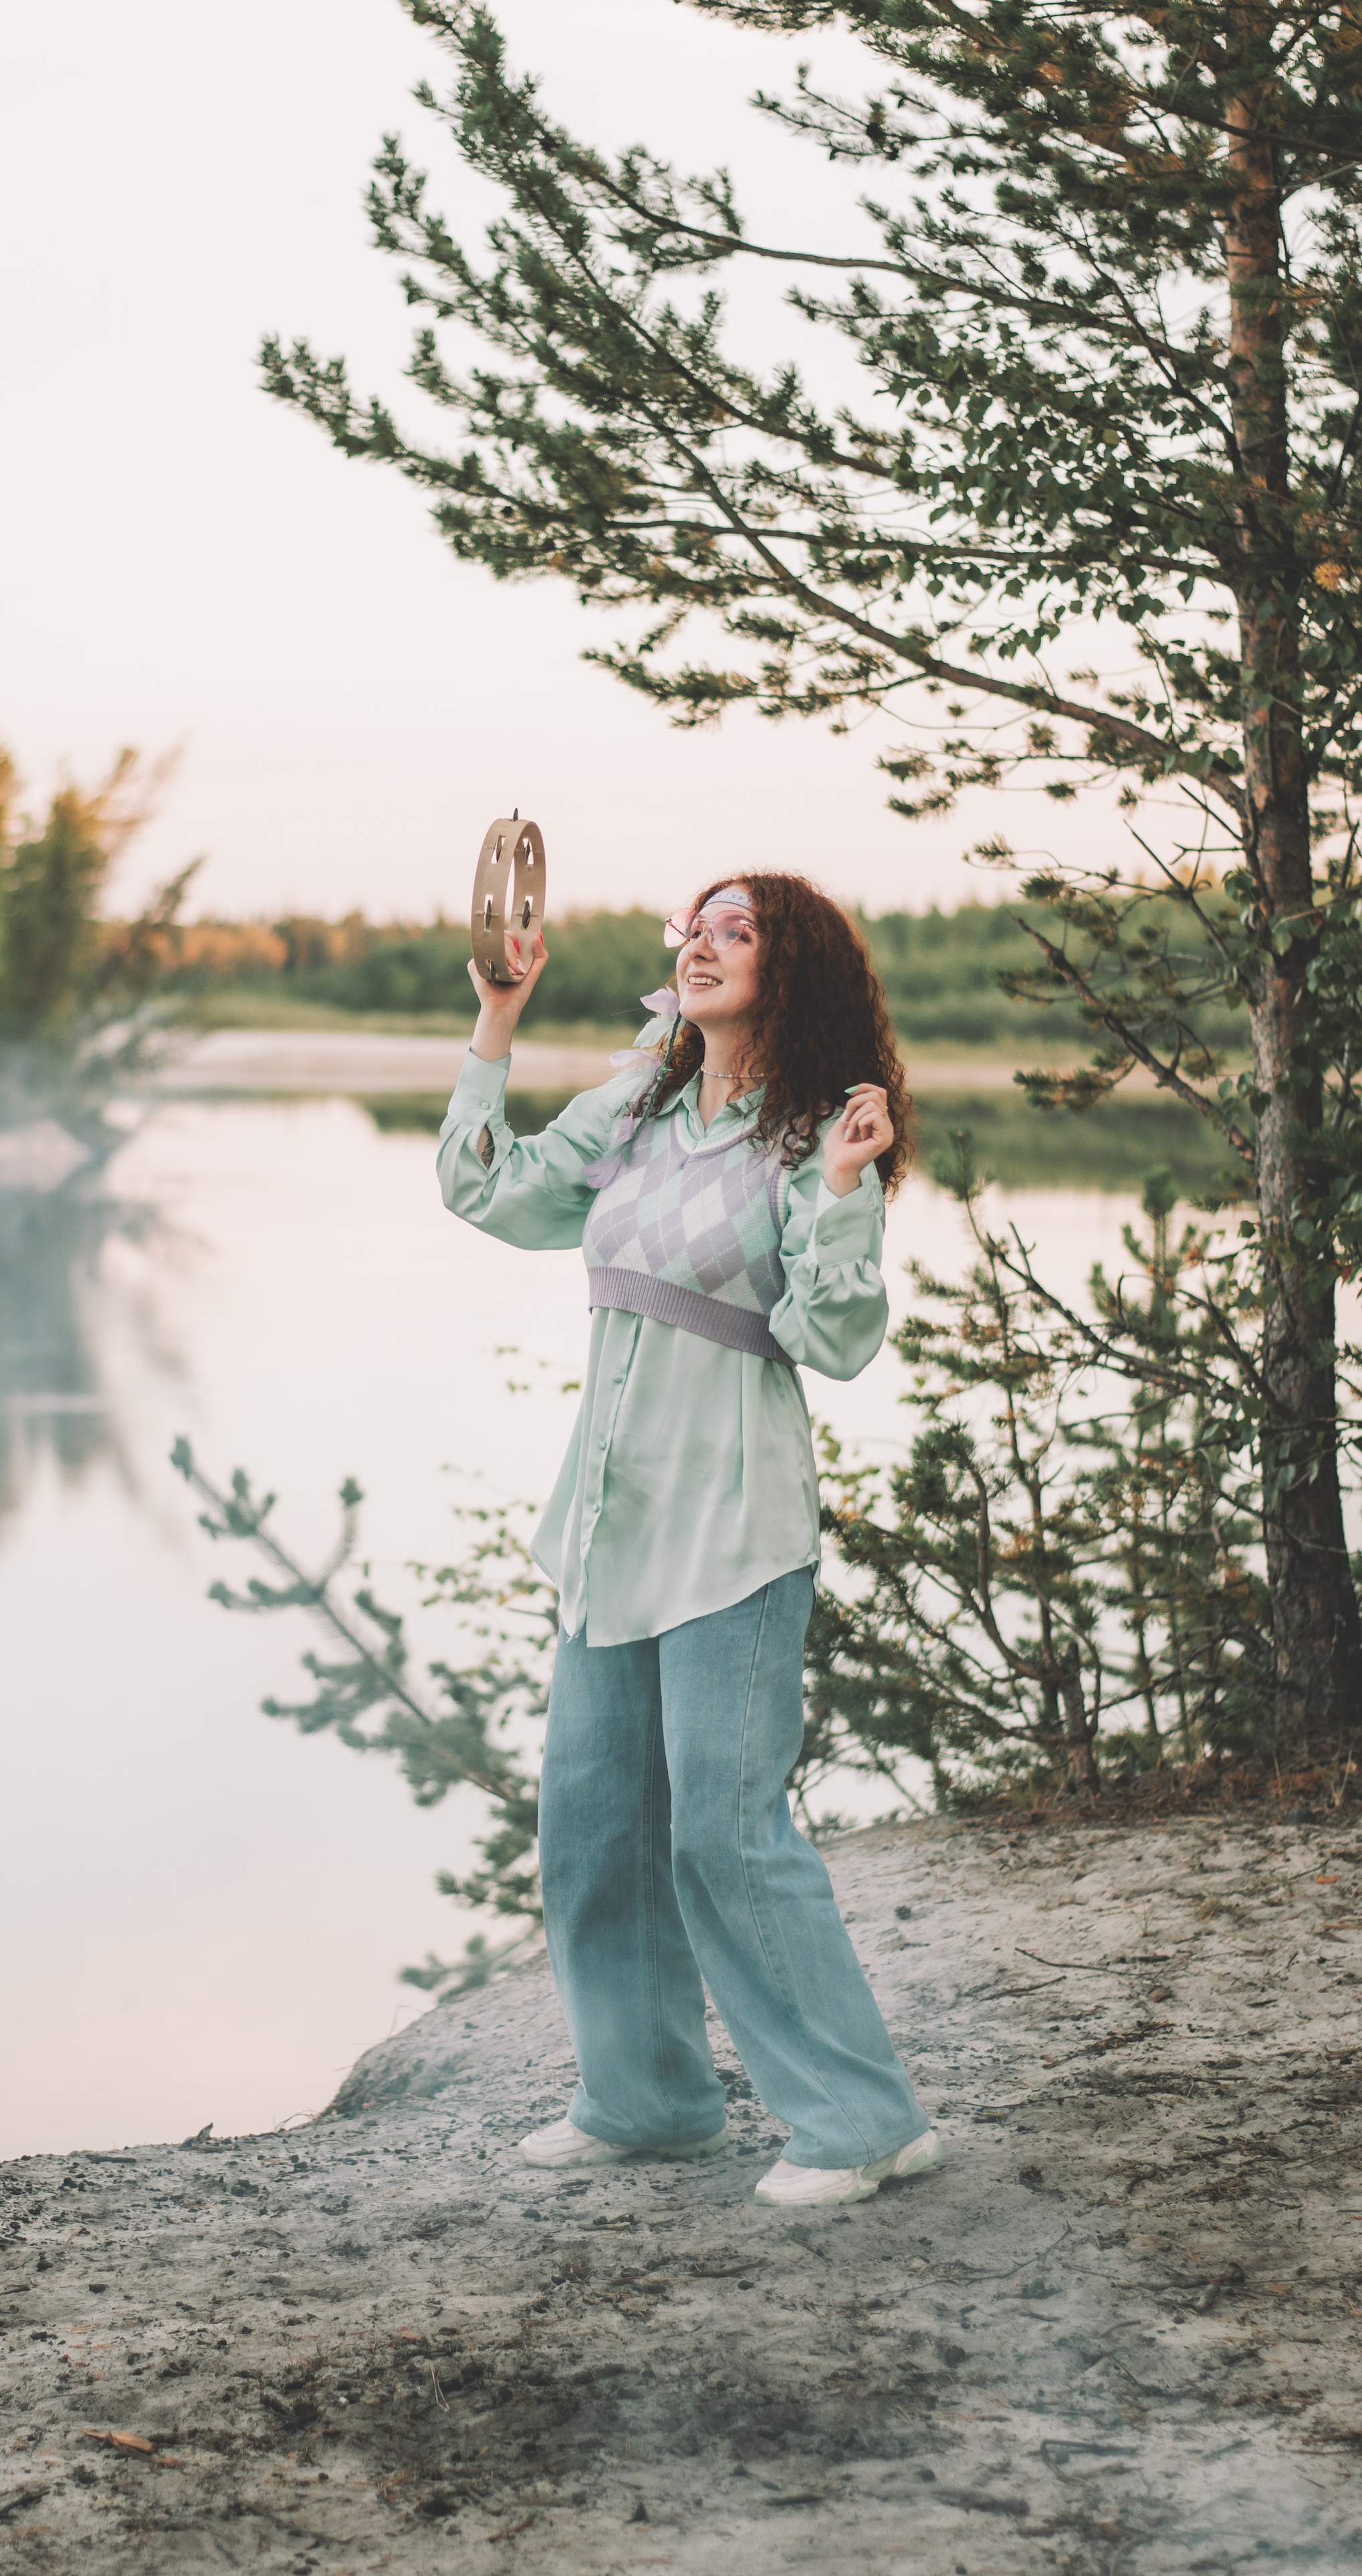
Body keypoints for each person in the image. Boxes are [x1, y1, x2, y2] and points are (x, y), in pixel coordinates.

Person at [436, 872, 946, 2210]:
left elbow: (832, 1341)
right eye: (696, 927)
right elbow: (485, 1195)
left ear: (795, 971)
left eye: (738, 930)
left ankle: (862, 2119)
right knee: (594, 1828)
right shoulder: (641, 1110)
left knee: (724, 1833)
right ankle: (649, 2101)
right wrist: (496, 1022)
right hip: (608, 1524)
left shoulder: (817, 1136)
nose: (702, 944)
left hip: (730, 1520)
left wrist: (842, 1190)